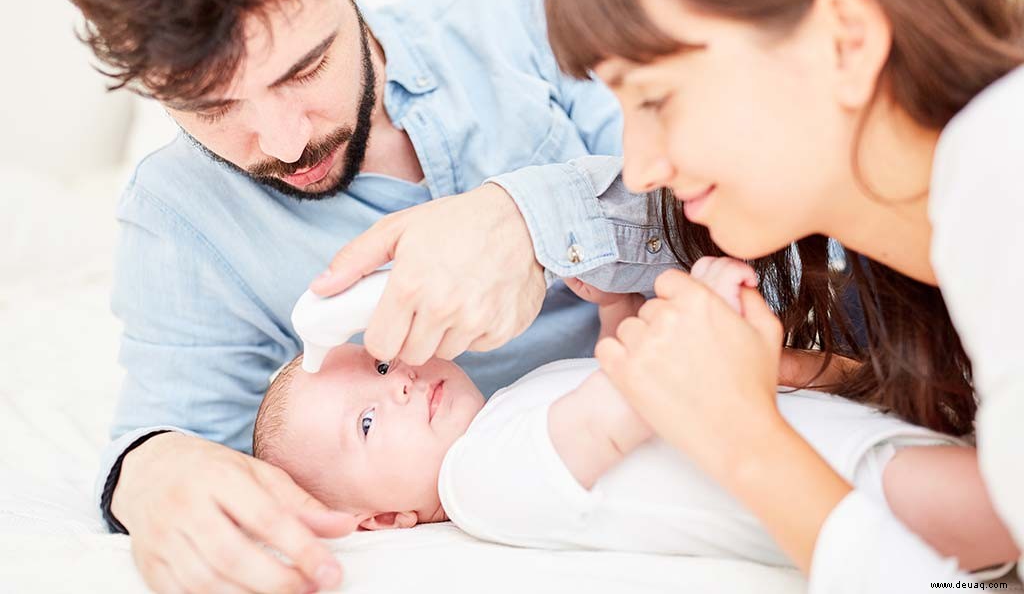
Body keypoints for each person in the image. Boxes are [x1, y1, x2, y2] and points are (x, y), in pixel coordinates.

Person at [312, 0, 1024, 589]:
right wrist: (808, 374)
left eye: (654, 99)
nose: (641, 165)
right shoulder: (950, 234)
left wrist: (741, 434)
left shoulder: (1000, 178)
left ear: (846, 39)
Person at [39, 0, 644, 592]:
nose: (286, 144)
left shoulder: (518, 20)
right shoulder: (182, 220)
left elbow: (734, 208)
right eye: (211, 106)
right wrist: (149, 475)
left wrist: (534, 220)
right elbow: (168, 431)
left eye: (302, 69)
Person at [251, 262, 1016, 574]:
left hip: (831, 437)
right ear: (385, 520)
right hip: (843, 487)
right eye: (368, 425)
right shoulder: (477, 482)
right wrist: (695, 311)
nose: (404, 386)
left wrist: (616, 311)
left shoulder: (511, 408)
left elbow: (599, 397)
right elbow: (619, 410)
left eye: (382, 366)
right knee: (996, 513)